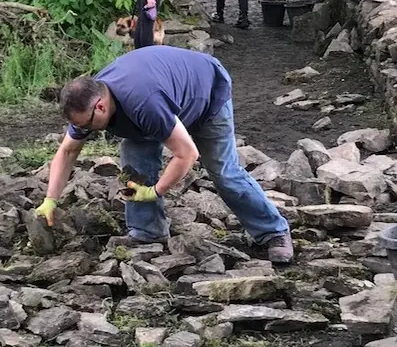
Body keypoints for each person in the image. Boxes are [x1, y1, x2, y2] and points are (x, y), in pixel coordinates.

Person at [34, 45, 294, 263]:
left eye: (86, 125)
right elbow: (68, 150)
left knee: (225, 174)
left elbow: (187, 154)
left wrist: (156, 190)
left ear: (101, 106)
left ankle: (273, 232)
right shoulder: (88, 102)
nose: (84, 131)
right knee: (134, 166)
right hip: (161, 102)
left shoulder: (144, 102)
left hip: (205, 96)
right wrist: (50, 200)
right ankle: (147, 231)